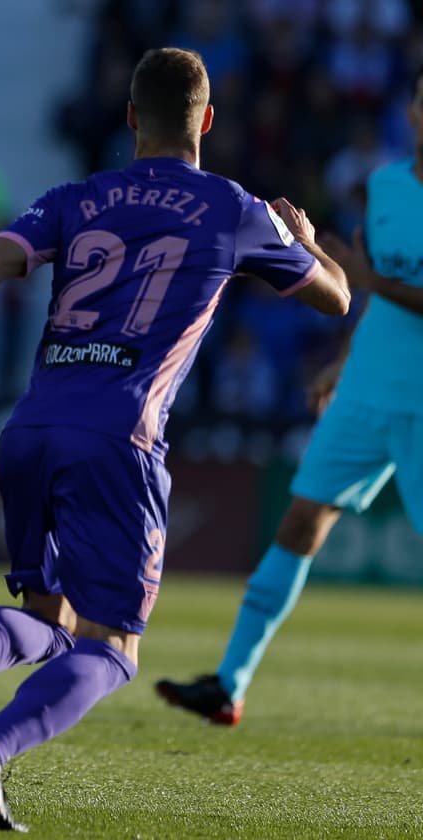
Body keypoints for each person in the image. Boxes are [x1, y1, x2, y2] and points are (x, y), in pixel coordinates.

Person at [0, 47, 349, 831]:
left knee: (47, 615)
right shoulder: (237, 209)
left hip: (30, 427)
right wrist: (307, 239)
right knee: (110, 648)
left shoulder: (80, 196)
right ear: (206, 118)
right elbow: (334, 300)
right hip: (118, 440)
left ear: (131, 118)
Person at [155, 65, 423, 726]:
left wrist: (364, 278)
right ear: (412, 109)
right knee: (301, 521)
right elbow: (380, 302)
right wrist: (341, 362)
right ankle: (230, 682)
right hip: (364, 390)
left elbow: (374, 281)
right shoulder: (387, 186)